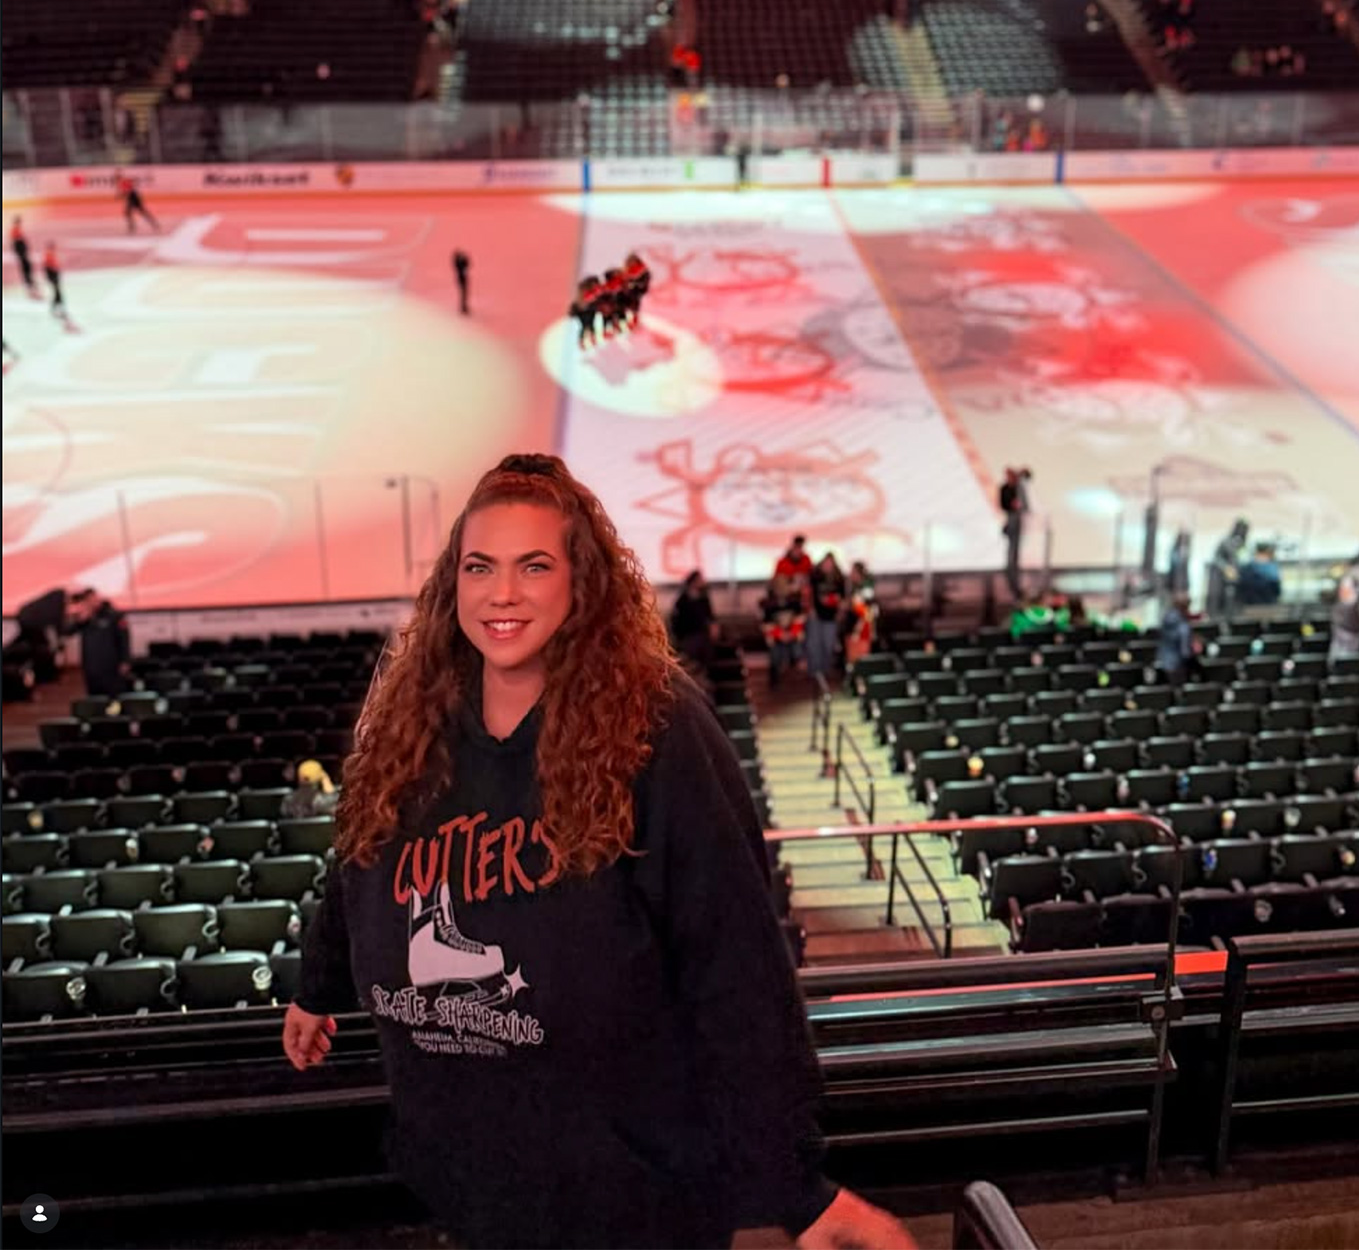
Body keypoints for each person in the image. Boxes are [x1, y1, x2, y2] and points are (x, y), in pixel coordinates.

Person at [283, 454, 912, 1250]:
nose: (502, 593)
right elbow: (360, 861)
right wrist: (318, 987)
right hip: (469, 1173)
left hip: (633, 1193)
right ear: (452, 583)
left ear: (581, 582)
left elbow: (734, 964)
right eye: (479, 567)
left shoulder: (658, 727)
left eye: (533, 566)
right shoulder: (411, 721)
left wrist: (792, 1188)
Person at [9, 586, 94, 686]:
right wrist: (80, 622)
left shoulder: (58, 597)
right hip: (31, 623)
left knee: (29, 648)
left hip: (27, 619)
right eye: (79, 609)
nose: (74, 614)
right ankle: (39, 677)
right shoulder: (57, 608)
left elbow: (59, 631)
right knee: (39, 650)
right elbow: (61, 632)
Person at [78, 592, 131, 698]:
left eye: (93, 599)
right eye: (88, 600)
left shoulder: (114, 615)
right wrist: (81, 620)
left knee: (113, 696)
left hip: (111, 665)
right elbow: (67, 631)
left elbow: (124, 639)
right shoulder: (86, 619)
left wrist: (125, 660)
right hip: (91, 667)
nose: (91, 602)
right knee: (95, 697)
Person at [670, 569, 718, 681]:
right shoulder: (683, 599)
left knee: (705, 658)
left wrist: (713, 627)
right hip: (689, 635)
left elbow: (710, 615)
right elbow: (676, 618)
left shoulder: (703, 597)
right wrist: (679, 635)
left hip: (702, 634)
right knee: (691, 660)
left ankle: (704, 678)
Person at [805, 554, 845, 684]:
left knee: (828, 644)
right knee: (814, 644)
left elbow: (842, 598)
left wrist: (839, 610)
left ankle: (825, 670)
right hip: (816, 615)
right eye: (826, 563)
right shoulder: (815, 576)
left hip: (831, 617)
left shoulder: (839, 579)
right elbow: (808, 593)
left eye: (830, 563)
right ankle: (814, 672)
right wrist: (810, 608)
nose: (827, 566)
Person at [761, 582, 807, 692]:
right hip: (776, 637)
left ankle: (795, 679)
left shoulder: (794, 603)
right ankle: (774, 682)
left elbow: (800, 619)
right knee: (775, 656)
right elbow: (766, 624)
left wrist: (792, 633)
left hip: (792, 635)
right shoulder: (769, 605)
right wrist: (780, 634)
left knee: (797, 651)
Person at [998, 467, 1031, 603]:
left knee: (1016, 552)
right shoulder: (1005, 489)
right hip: (1012, 521)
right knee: (1012, 552)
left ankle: (1015, 578)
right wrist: (1012, 506)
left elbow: (1026, 506)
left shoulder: (1019, 488)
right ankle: (1011, 575)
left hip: (1019, 522)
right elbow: (1003, 504)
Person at [1205, 518, 1249, 619]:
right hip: (1222, 579)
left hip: (1237, 580)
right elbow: (1217, 558)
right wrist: (1226, 568)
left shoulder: (1243, 545)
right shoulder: (1225, 542)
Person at [1155, 594, 1194, 685]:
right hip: (1175, 664)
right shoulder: (1181, 624)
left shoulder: (1167, 617)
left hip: (1164, 661)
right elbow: (1185, 650)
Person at [1235, 540, 1283, 609]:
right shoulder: (1249, 568)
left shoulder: (1247, 568)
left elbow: (1277, 590)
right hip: (1258, 605)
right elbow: (1277, 590)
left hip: (1259, 605)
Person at [10, 214, 38, 295]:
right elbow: (17, 241)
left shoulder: (17, 229)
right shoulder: (15, 229)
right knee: (26, 265)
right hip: (20, 249)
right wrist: (22, 250)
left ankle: (29, 280)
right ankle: (28, 281)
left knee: (26, 265)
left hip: (21, 249)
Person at [571, 276, 600, 350]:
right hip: (582, 309)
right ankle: (582, 341)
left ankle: (592, 338)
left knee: (591, 324)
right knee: (584, 325)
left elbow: (595, 297)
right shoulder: (582, 289)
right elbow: (579, 300)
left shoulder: (592, 289)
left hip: (589, 308)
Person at [42, 241, 67, 321]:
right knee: (57, 292)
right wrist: (52, 276)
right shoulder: (49, 255)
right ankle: (57, 307)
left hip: (53, 275)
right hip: (53, 275)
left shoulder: (50, 254)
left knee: (57, 292)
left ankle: (57, 306)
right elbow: (48, 267)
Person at [453, 248, 472, 316]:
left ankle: (464, 307)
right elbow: (466, 264)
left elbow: (468, 263)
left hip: (462, 278)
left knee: (464, 293)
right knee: (463, 293)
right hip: (461, 278)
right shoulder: (458, 263)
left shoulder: (458, 262)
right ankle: (463, 307)